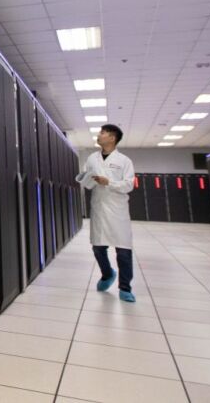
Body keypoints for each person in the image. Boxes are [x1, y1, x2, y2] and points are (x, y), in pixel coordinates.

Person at [78, 124, 136, 302]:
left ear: (112, 138)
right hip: (99, 207)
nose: (99, 135)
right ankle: (107, 274)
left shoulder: (124, 161)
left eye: (103, 133)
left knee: (123, 251)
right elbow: (89, 182)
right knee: (97, 247)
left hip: (117, 210)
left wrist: (108, 182)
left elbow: (129, 185)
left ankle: (125, 288)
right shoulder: (92, 158)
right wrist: (85, 179)